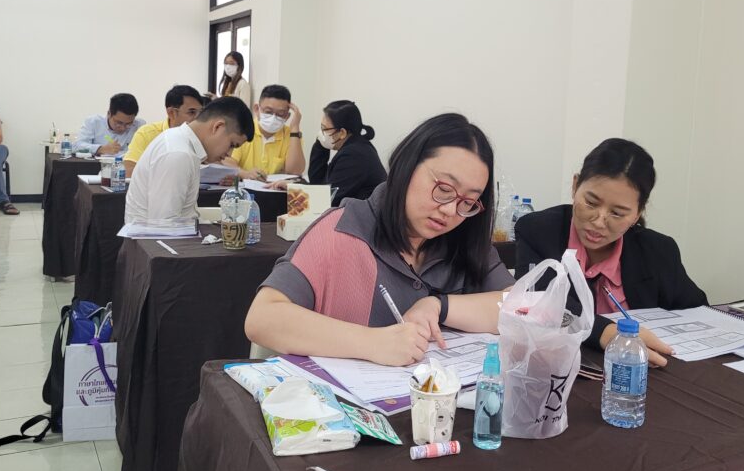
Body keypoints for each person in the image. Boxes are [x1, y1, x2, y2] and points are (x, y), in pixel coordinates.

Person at [244, 113, 513, 367]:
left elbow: (521, 307)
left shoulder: (463, 240)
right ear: (406, 166)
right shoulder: (344, 231)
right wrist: (373, 343)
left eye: (468, 202)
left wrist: (439, 306)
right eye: (444, 189)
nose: (451, 210)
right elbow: (263, 319)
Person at [515, 138, 707, 366]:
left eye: (617, 213)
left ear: (637, 214)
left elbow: (698, 313)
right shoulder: (538, 231)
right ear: (575, 186)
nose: (599, 221)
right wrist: (605, 332)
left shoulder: (658, 251)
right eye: (591, 203)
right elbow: (540, 301)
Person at [124, 97, 253, 225]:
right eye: (232, 145)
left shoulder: (181, 143)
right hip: (155, 237)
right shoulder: (179, 154)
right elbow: (164, 225)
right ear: (218, 127)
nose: (229, 154)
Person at [307, 100, 386, 206]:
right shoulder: (356, 147)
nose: (321, 133)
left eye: (325, 129)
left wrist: (297, 191)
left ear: (342, 133)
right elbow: (317, 183)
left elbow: (328, 199)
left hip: (361, 215)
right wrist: (321, 144)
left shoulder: (354, 156)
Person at [223, 84, 305, 181]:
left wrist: (295, 128)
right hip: (245, 187)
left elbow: (294, 171)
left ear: (287, 116)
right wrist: (245, 174)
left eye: (280, 114)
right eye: (268, 112)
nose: (273, 118)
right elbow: (225, 160)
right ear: (257, 109)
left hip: (276, 188)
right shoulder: (243, 129)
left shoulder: (292, 136)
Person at [123, 85, 203, 177]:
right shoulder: (147, 133)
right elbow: (129, 171)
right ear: (171, 113)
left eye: (201, 112)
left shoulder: (203, 134)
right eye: (192, 112)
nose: (198, 119)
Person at [74, 93, 144, 156]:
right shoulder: (93, 122)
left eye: (128, 124)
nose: (123, 128)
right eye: (119, 123)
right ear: (109, 114)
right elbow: (76, 146)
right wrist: (101, 149)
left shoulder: (140, 126)